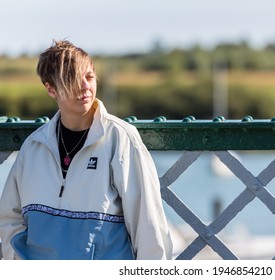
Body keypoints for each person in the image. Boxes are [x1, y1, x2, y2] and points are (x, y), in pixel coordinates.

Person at [0, 40, 172, 260]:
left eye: (89, 77)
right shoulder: (34, 147)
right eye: (72, 78)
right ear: (51, 89)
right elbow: (9, 218)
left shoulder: (120, 138)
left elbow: (149, 226)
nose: (85, 86)